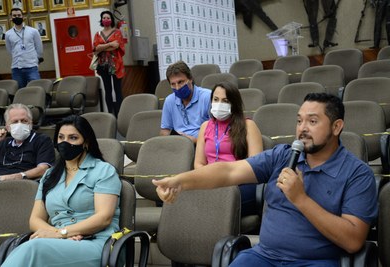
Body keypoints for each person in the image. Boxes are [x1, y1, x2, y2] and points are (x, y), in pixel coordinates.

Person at [153, 92, 378, 266]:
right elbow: (228, 172)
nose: (302, 129)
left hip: (314, 262)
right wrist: (179, 181)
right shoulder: (283, 155)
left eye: (312, 122)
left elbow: (353, 240)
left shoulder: (357, 174)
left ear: (337, 127)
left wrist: (300, 199)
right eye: (299, 121)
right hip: (264, 257)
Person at [1, 115, 122, 266]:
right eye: (61, 137)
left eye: (73, 138)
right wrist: (56, 235)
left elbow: (104, 217)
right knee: (27, 248)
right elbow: (35, 219)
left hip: (97, 243)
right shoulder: (49, 175)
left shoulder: (104, 171)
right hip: (58, 242)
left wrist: (62, 233)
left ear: (86, 142)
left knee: (33, 248)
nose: (65, 142)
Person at [195, 82, 263, 218]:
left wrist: (225, 180)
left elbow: (256, 166)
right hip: (211, 183)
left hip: (239, 184)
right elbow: (198, 164)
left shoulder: (248, 126)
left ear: (234, 103)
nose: (219, 104)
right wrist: (211, 179)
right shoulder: (205, 126)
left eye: (225, 101)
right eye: (215, 100)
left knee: (214, 206)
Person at [0, 103, 55, 181]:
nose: (19, 124)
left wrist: (19, 176)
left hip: (23, 185)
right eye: (15, 122)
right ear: (7, 127)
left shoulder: (42, 140)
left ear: (31, 123)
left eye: (24, 121)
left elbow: (43, 169)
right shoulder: (2, 142)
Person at [160, 61, 211, 143]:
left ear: (190, 79)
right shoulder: (169, 100)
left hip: (202, 146)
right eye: (173, 84)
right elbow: (164, 130)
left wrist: (191, 140)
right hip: (178, 146)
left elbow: (217, 132)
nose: (177, 88)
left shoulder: (208, 97)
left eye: (180, 82)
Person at [92, 10, 125, 117]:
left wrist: (102, 46)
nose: (106, 20)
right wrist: (109, 44)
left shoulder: (117, 32)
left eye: (108, 18)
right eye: (104, 18)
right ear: (101, 20)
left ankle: (120, 114)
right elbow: (96, 48)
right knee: (108, 89)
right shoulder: (98, 34)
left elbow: (117, 46)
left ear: (111, 20)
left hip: (116, 65)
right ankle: (110, 114)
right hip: (103, 65)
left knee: (117, 90)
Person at [5, 8, 43, 89]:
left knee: (37, 89)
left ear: (23, 16)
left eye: (19, 15)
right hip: (16, 68)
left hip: (31, 67)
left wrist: (36, 61)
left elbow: (39, 47)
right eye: (14, 15)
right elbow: (9, 50)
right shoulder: (8, 34)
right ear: (11, 18)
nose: (17, 17)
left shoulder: (33, 31)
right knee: (20, 92)